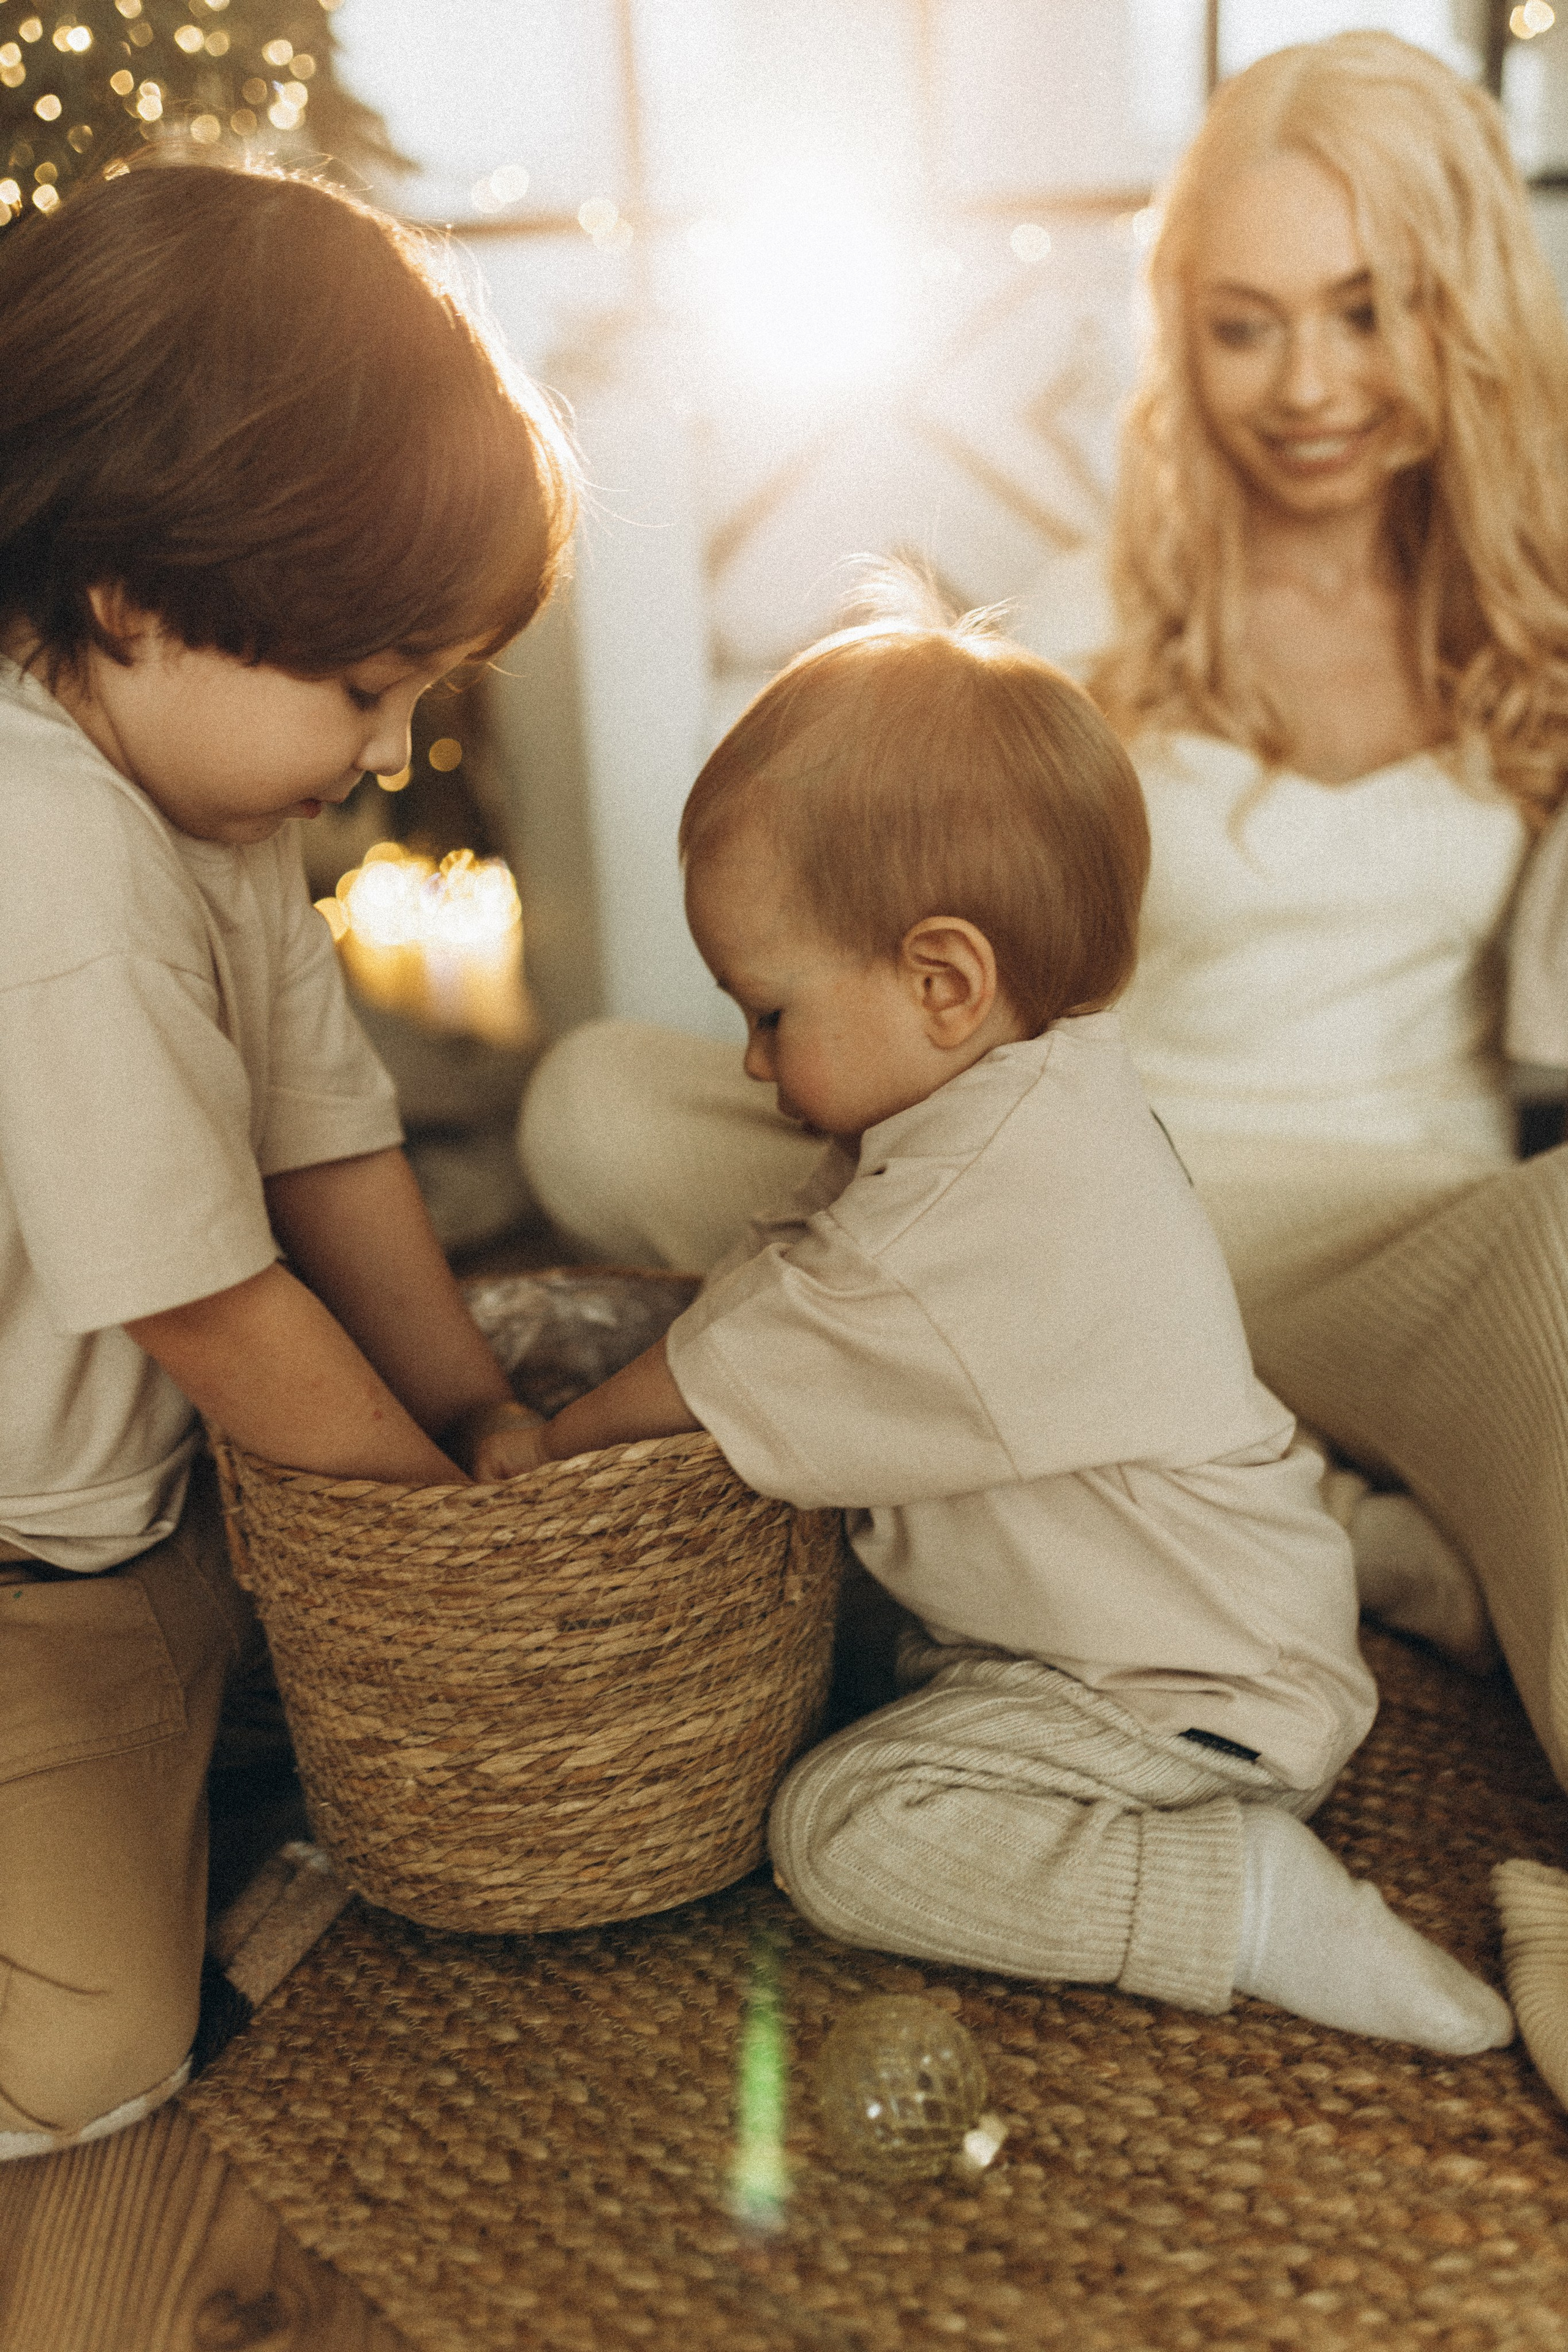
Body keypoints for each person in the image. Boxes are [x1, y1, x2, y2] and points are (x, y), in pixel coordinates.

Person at [519, 36, 1568, 1798]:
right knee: (599, 1099)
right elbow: (908, 979)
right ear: (1183, 337)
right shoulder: (1076, 641)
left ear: (1464, 309)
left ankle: (1313, 1474)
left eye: (1368, 311)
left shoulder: (1540, 630)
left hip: (1405, 1232)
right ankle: (1297, 1490)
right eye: (1246, 324)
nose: (1307, 383)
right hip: (1067, 1217)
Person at [496, 598, 1512, 2049]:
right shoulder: (1039, 1094)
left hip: (1174, 1708)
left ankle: (1240, 1897)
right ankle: (1359, 1550)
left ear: (945, 982)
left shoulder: (951, 1229)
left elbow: (724, 1371)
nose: (747, 1056)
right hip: (1224, 1601)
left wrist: (552, 1448)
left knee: (844, 1826)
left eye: (770, 1012)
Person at [0, 160, 575, 2158]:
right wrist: (440, 1558)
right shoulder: (50, 848)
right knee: (95, 2064)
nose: (397, 754)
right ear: (139, 597)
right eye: (367, 689)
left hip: (134, 1535)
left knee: (251, 1746)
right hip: (23, 1587)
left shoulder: (216, 813)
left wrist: (476, 1409)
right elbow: (217, 1302)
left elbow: (330, 1141)